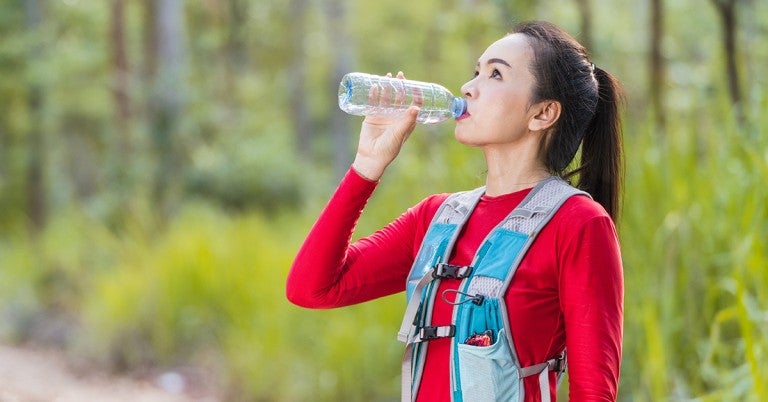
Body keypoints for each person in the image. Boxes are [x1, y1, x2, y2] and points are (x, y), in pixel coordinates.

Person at [287, 20, 624, 402]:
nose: (468, 87)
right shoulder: (437, 218)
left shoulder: (579, 224)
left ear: (542, 114)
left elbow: (594, 392)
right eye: (475, 72)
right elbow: (311, 289)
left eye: (495, 74)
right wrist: (366, 165)